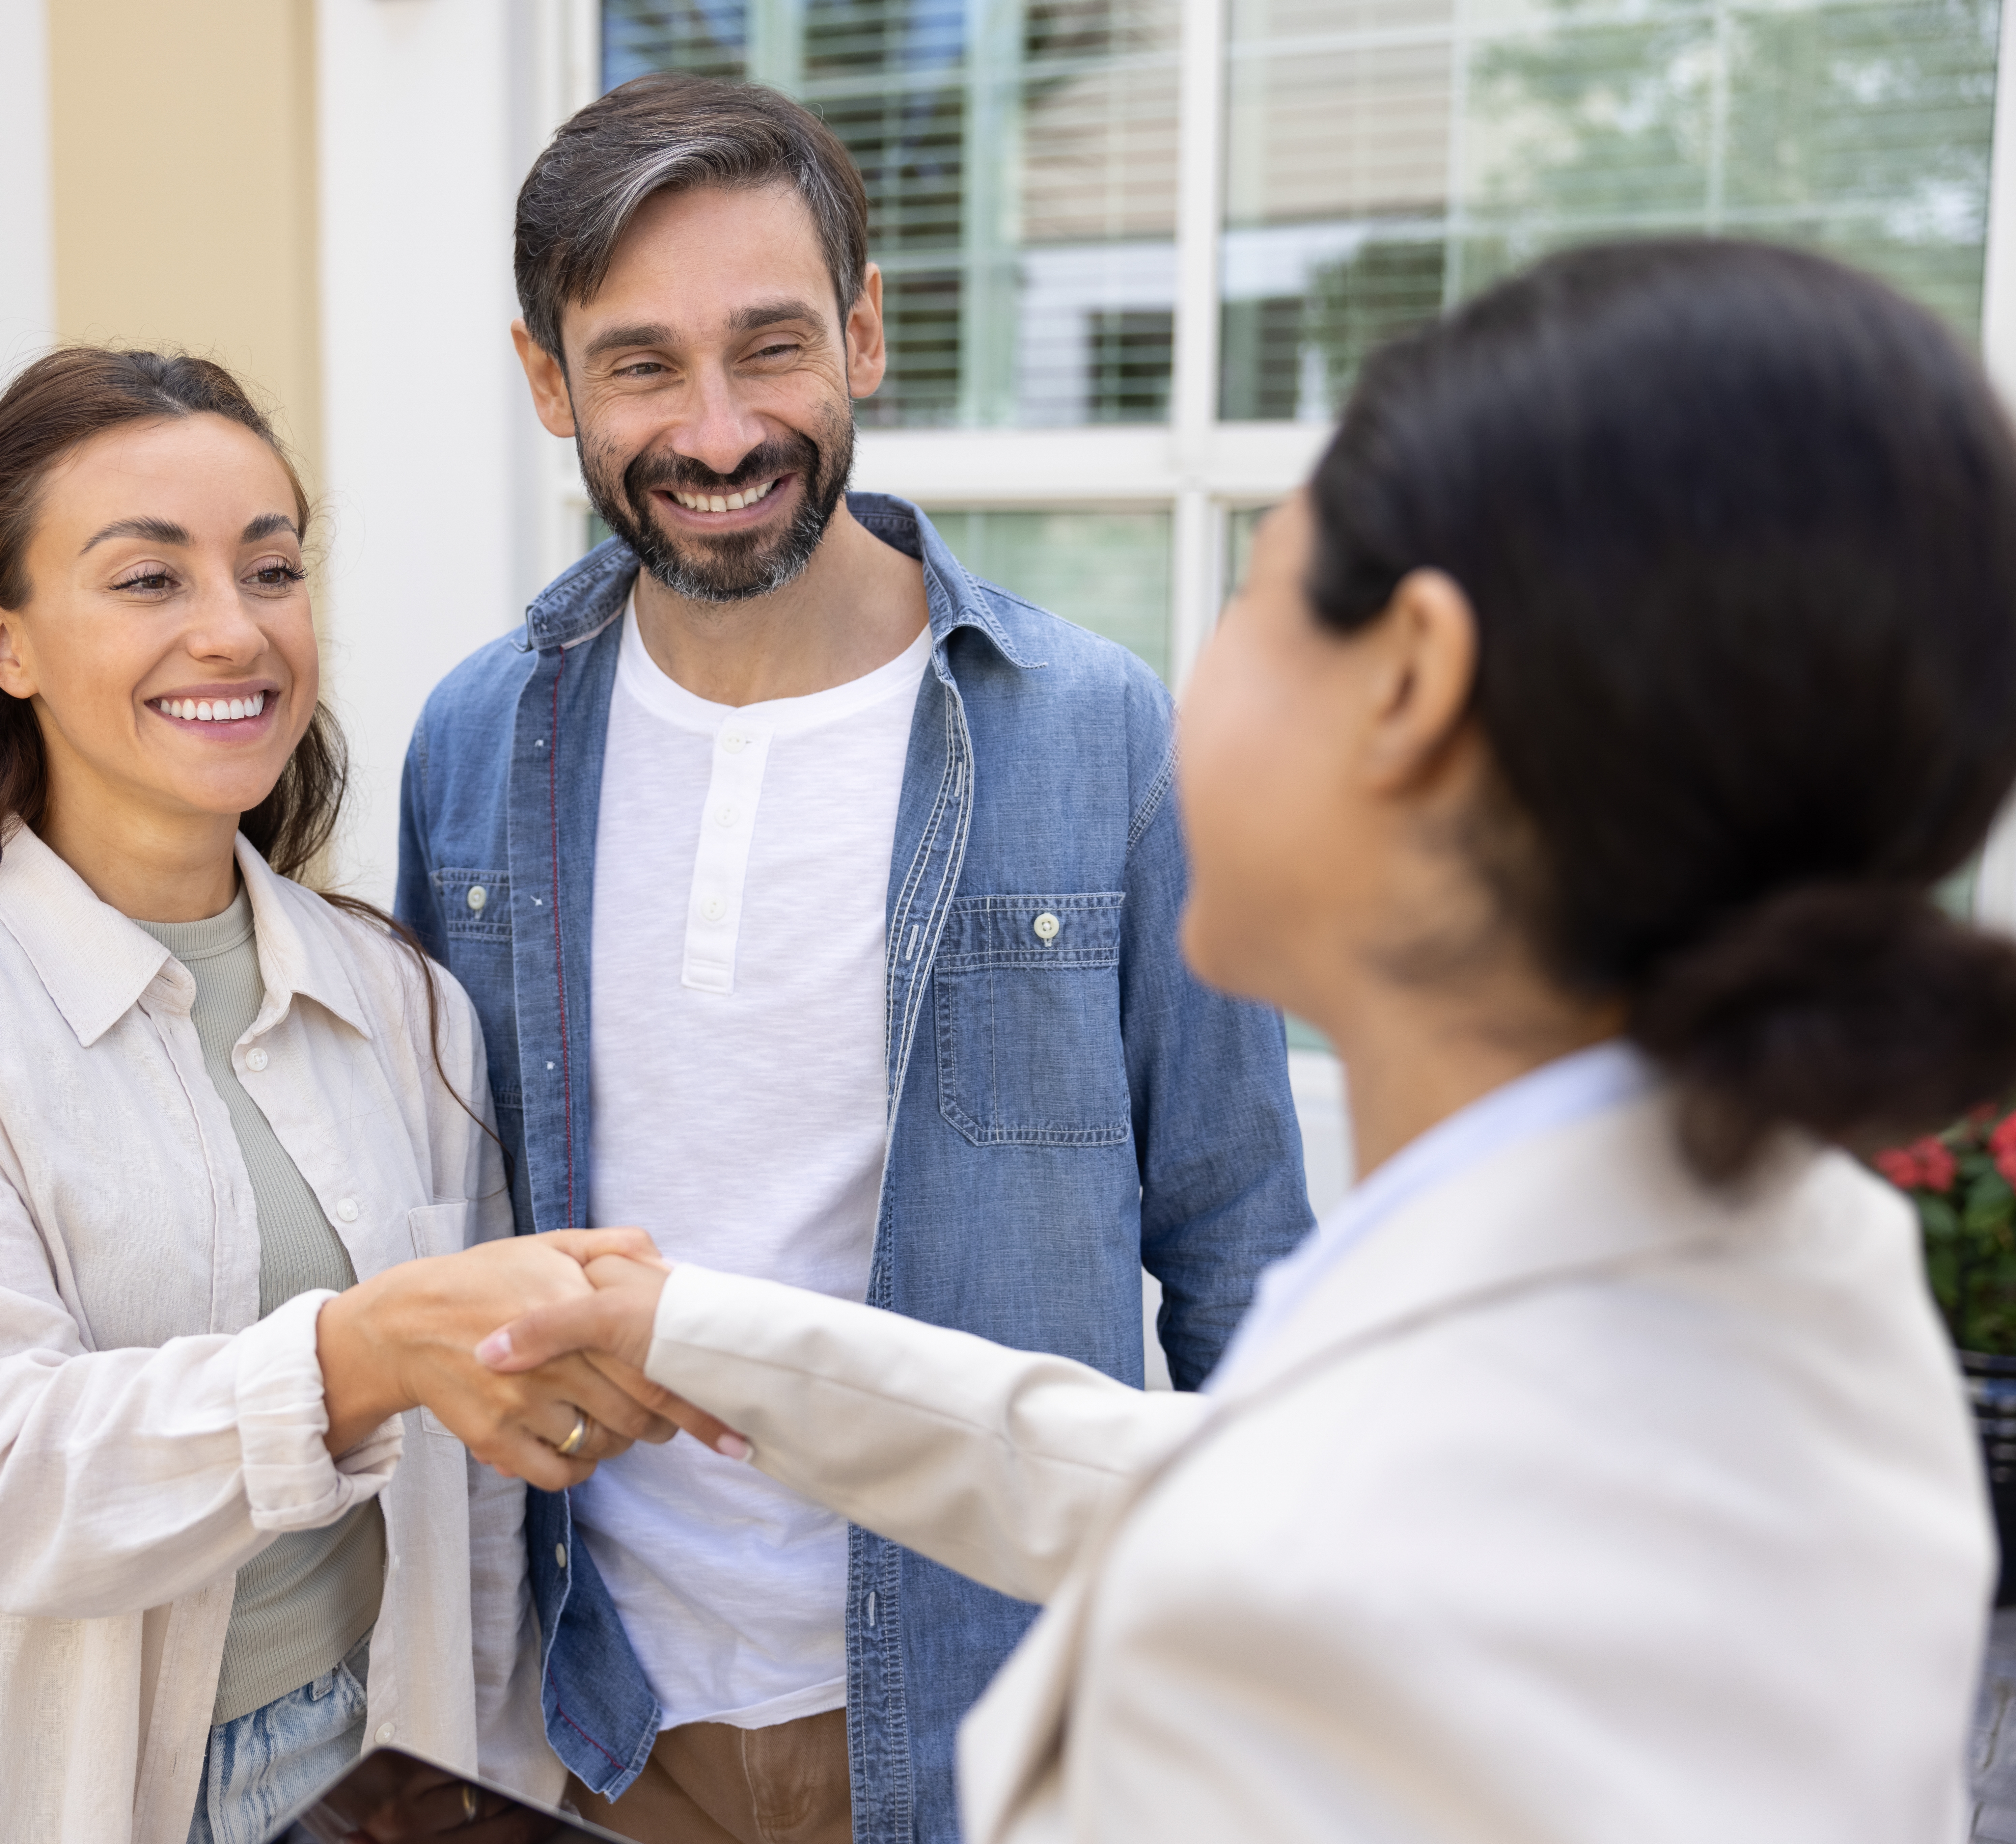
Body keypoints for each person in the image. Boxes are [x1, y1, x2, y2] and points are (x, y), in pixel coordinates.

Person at [480, 238, 2016, 1842]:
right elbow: (1200, 1476)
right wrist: (695, 1332)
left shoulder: (1291, 1620)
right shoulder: (1773, 1251)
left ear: (1405, 683)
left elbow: (1287, 1529)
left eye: (1256, 593)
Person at [394, 72, 1313, 1844]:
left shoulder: (1099, 734)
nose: (720, 431)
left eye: (771, 347)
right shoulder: (477, 742)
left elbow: (1240, 1245)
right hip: (602, 1711)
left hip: (1000, 1717)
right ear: (547, 383)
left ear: (867, 332)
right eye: (644, 363)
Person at [0, 350, 680, 1844]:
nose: (234, 630)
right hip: (54, 1791)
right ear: (5, 643)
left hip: (383, 1758)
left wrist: (486, 1767)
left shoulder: (397, 995)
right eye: (146, 580)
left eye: (269, 567)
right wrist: (357, 1353)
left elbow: (465, 1505)